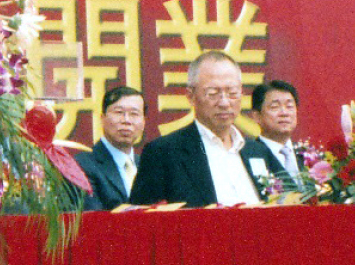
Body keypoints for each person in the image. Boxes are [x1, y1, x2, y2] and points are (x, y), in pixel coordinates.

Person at [129, 51, 267, 207]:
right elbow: (141, 220)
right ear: (190, 96)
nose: (224, 102)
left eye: (232, 93)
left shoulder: (257, 151)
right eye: (213, 93)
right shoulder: (163, 153)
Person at [74, 86, 148, 210]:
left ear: (144, 122)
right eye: (119, 112)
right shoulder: (82, 165)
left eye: (134, 114)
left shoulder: (147, 165)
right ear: (102, 118)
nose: (126, 120)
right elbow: (93, 218)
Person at [243, 79, 303, 189]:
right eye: (275, 107)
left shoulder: (306, 156)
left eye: (289, 107)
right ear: (256, 116)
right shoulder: (248, 156)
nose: (284, 113)